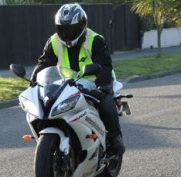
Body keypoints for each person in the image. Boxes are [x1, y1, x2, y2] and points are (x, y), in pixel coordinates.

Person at [30, 3, 125, 156]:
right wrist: (33, 82)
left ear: (82, 25)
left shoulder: (95, 40)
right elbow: (44, 63)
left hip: (93, 81)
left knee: (106, 100)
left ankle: (115, 139)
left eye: (71, 28)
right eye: (62, 29)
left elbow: (105, 66)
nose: (66, 33)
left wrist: (103, 87)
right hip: (65, 82)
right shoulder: (53, 42)